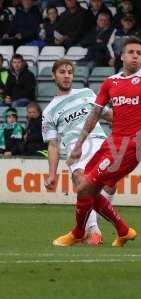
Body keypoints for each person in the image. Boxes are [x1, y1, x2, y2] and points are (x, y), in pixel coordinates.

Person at [57, 37, 141, 247]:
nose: (136, 55)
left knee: (86, 187)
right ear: (122, 56)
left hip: (129, 148)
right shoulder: (111, 83)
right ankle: (123, 230)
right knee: (84, 186)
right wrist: (80, 144)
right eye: (131, 52)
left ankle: (78, 232)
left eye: (139, 53)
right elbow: (95, 114)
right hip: (111, 144)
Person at [43, 59, 117, 246]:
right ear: (54, 75)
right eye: (62, 72)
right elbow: (53, 144)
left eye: (69, 72)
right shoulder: (49, 111)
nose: (67, 75)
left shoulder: (87, 93)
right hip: (76, 150)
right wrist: (52, 173)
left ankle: (87, 228)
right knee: (83, 183)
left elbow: (108, 115)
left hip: (99, 144)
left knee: (109, 186)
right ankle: (94, 231)